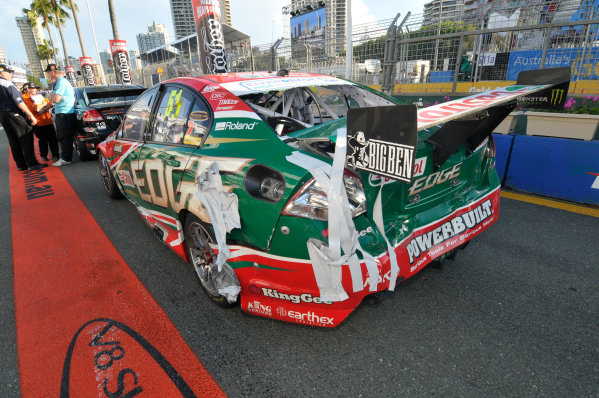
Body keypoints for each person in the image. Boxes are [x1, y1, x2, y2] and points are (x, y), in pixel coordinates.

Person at [0, 64, 47, 171]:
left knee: (13, 139)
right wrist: (30, 115)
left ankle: (21, 164)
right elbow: (18, 101)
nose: (11, 74)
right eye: (9, 72)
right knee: (26, 135)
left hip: (3, 115)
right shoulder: (6, 83)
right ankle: (31, 163)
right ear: (2, 73)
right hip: (13, 112)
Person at [44, 63, 75, 167]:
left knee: (64, 136)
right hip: (64, 112)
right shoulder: (60, 81)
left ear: (52, 72)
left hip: (64, 112)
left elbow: (55, 99)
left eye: (48, 72)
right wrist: (52, 97)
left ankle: (66, 158)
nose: (48, 74)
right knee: (63, 136)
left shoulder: (61, 81)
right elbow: (53, 99)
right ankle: (66, 157)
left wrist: (52, 97)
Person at [21, 82, 59, 161]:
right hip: (38, 122)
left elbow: (50, 104)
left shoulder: (38, 96)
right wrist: (43, 106)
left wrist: (43, 108)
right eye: (34, 88)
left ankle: (56, 155)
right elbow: (35, 108)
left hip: (47, 120)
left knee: (53, 139)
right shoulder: (25, 98)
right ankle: (43, 155)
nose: (36, 89)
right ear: (28, 89)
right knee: (43, 140)